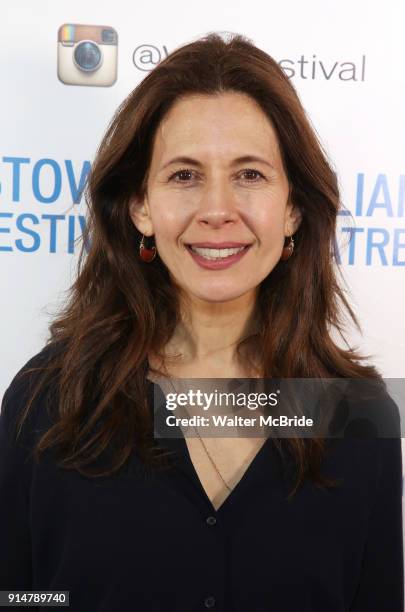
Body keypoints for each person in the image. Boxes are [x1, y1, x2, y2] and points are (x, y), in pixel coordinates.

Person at [0, 31, 403, 612]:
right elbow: (22, 597)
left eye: (250, 175)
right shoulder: (47, 400)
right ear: (140, 205)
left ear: (293, 208)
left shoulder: (358, 413)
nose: (217, 210)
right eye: (184, 175)